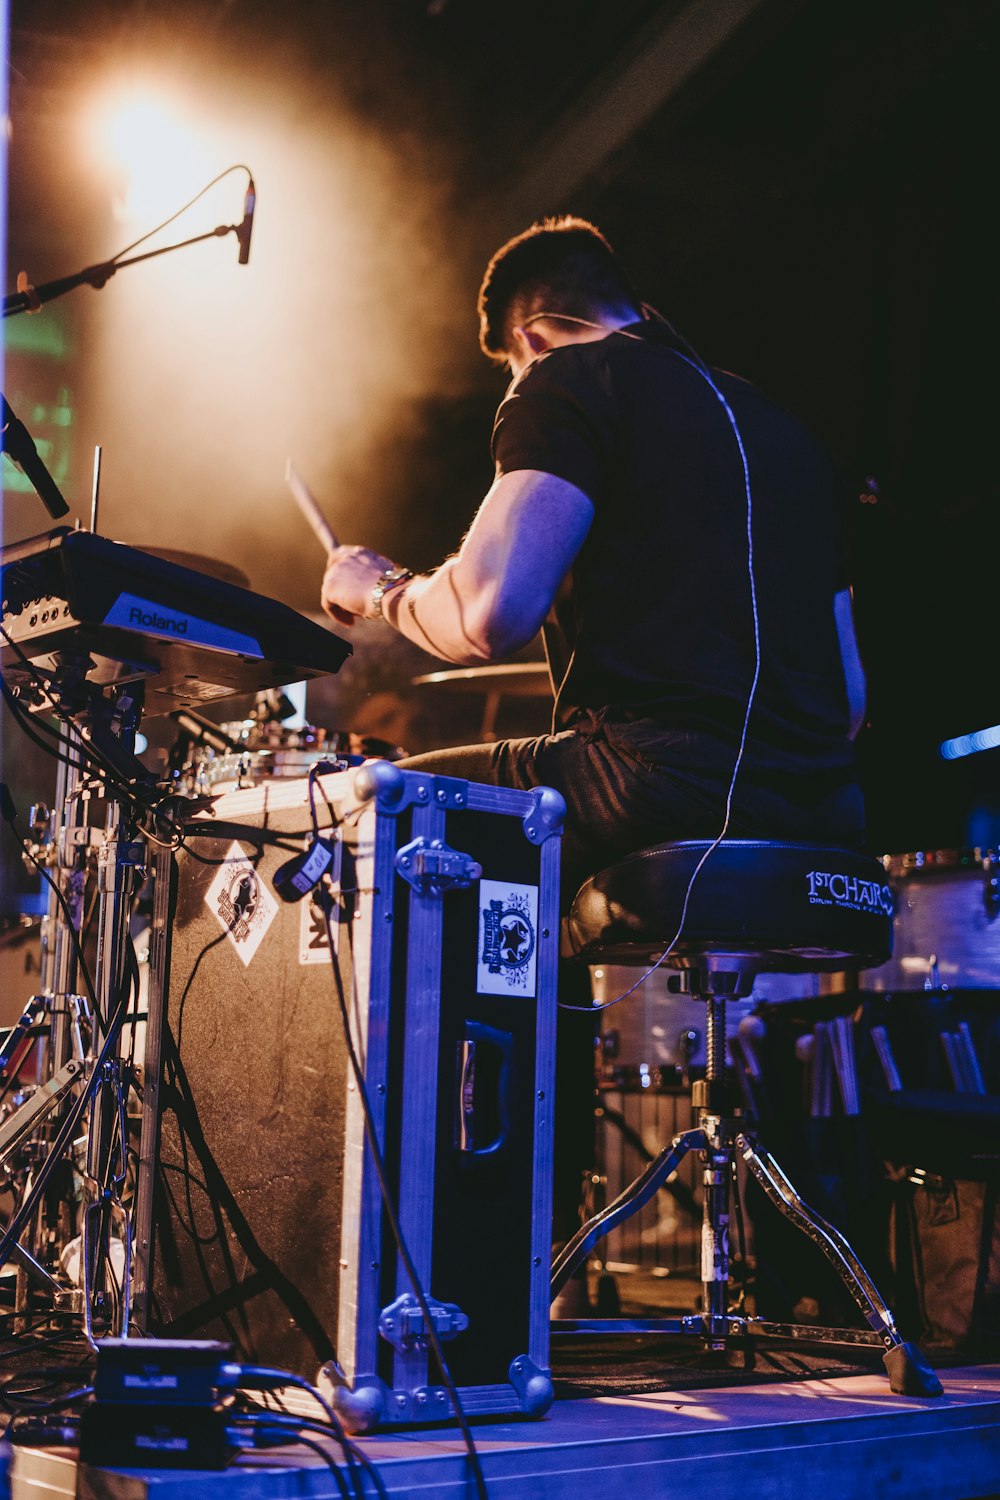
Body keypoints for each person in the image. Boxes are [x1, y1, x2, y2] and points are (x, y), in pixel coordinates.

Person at [320, 215, 867, 900]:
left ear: (529, 337)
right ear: (636, 309)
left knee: (358, 814)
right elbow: (847, 700)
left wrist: (380, 589)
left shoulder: (565, 375)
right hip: (826, 810)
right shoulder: (796, 440)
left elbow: (489, 615)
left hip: (653, 785)